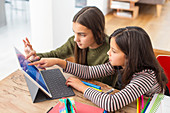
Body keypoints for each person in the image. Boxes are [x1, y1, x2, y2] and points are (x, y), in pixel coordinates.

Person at [29, 26, 168, 112]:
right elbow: (90, 71)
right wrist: (60, 62)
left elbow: (111, 103)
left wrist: (82, 87)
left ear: (129, 56)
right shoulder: (120, 63)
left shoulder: (145, 77)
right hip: (135, 101)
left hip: (152, 107)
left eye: (113, 51)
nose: (108, 53)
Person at [23, 6, 117, 86]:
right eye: (74, 33)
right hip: (80, 87)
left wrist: (59, 62)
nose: (76, 39)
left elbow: (91, 75)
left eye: (82, 35)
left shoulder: (111, 52)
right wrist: (34, 56)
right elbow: (55, 54)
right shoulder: (75, 42)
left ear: (97, 32)